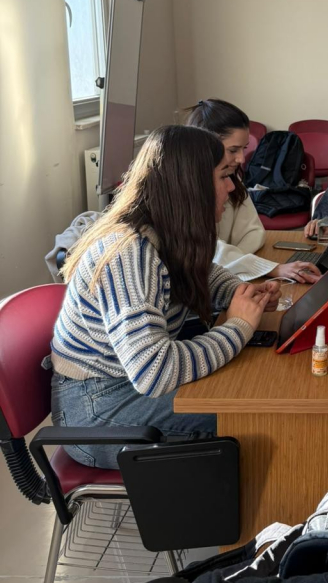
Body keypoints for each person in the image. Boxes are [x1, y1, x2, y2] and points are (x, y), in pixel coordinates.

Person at [50, 125, 280, 469]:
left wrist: (240, 293)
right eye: (223, 176)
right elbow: (154, 371)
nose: (232, 187)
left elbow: (200, 273)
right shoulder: (129, 253)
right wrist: (238, 327)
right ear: (191, 186)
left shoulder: (164, 230)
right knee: (256, 414)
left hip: (122, 385)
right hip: (96, 410)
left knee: (253, 392)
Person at [185, 99, 320, 284]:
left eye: (244, 149)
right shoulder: (181, 190)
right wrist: (266, 267)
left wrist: (237, 262)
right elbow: (206, 251)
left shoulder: (233, 180)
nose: (241, 159)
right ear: (204, 147)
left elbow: (254, 231)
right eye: (233, 150)